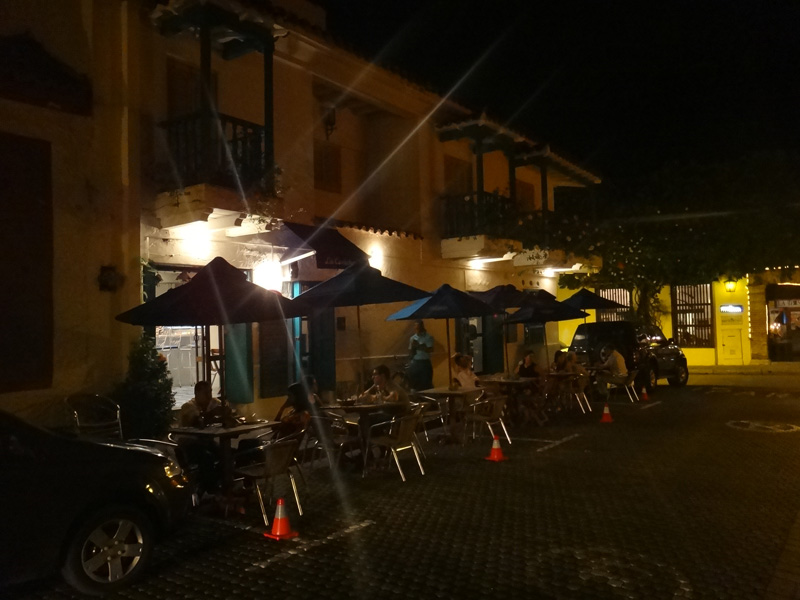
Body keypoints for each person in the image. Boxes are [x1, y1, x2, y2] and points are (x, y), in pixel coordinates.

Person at [407, 320, 434, 391]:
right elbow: (411, 351)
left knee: (425, 383)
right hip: (416, 362)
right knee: (415, 383)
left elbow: (430, 349)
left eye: (418, 327)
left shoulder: (428, 337)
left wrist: (419, 346)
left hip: (424, 362)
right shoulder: (412, 338)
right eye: (416, 327)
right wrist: (413, 350)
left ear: (422, 326)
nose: (417, 329)